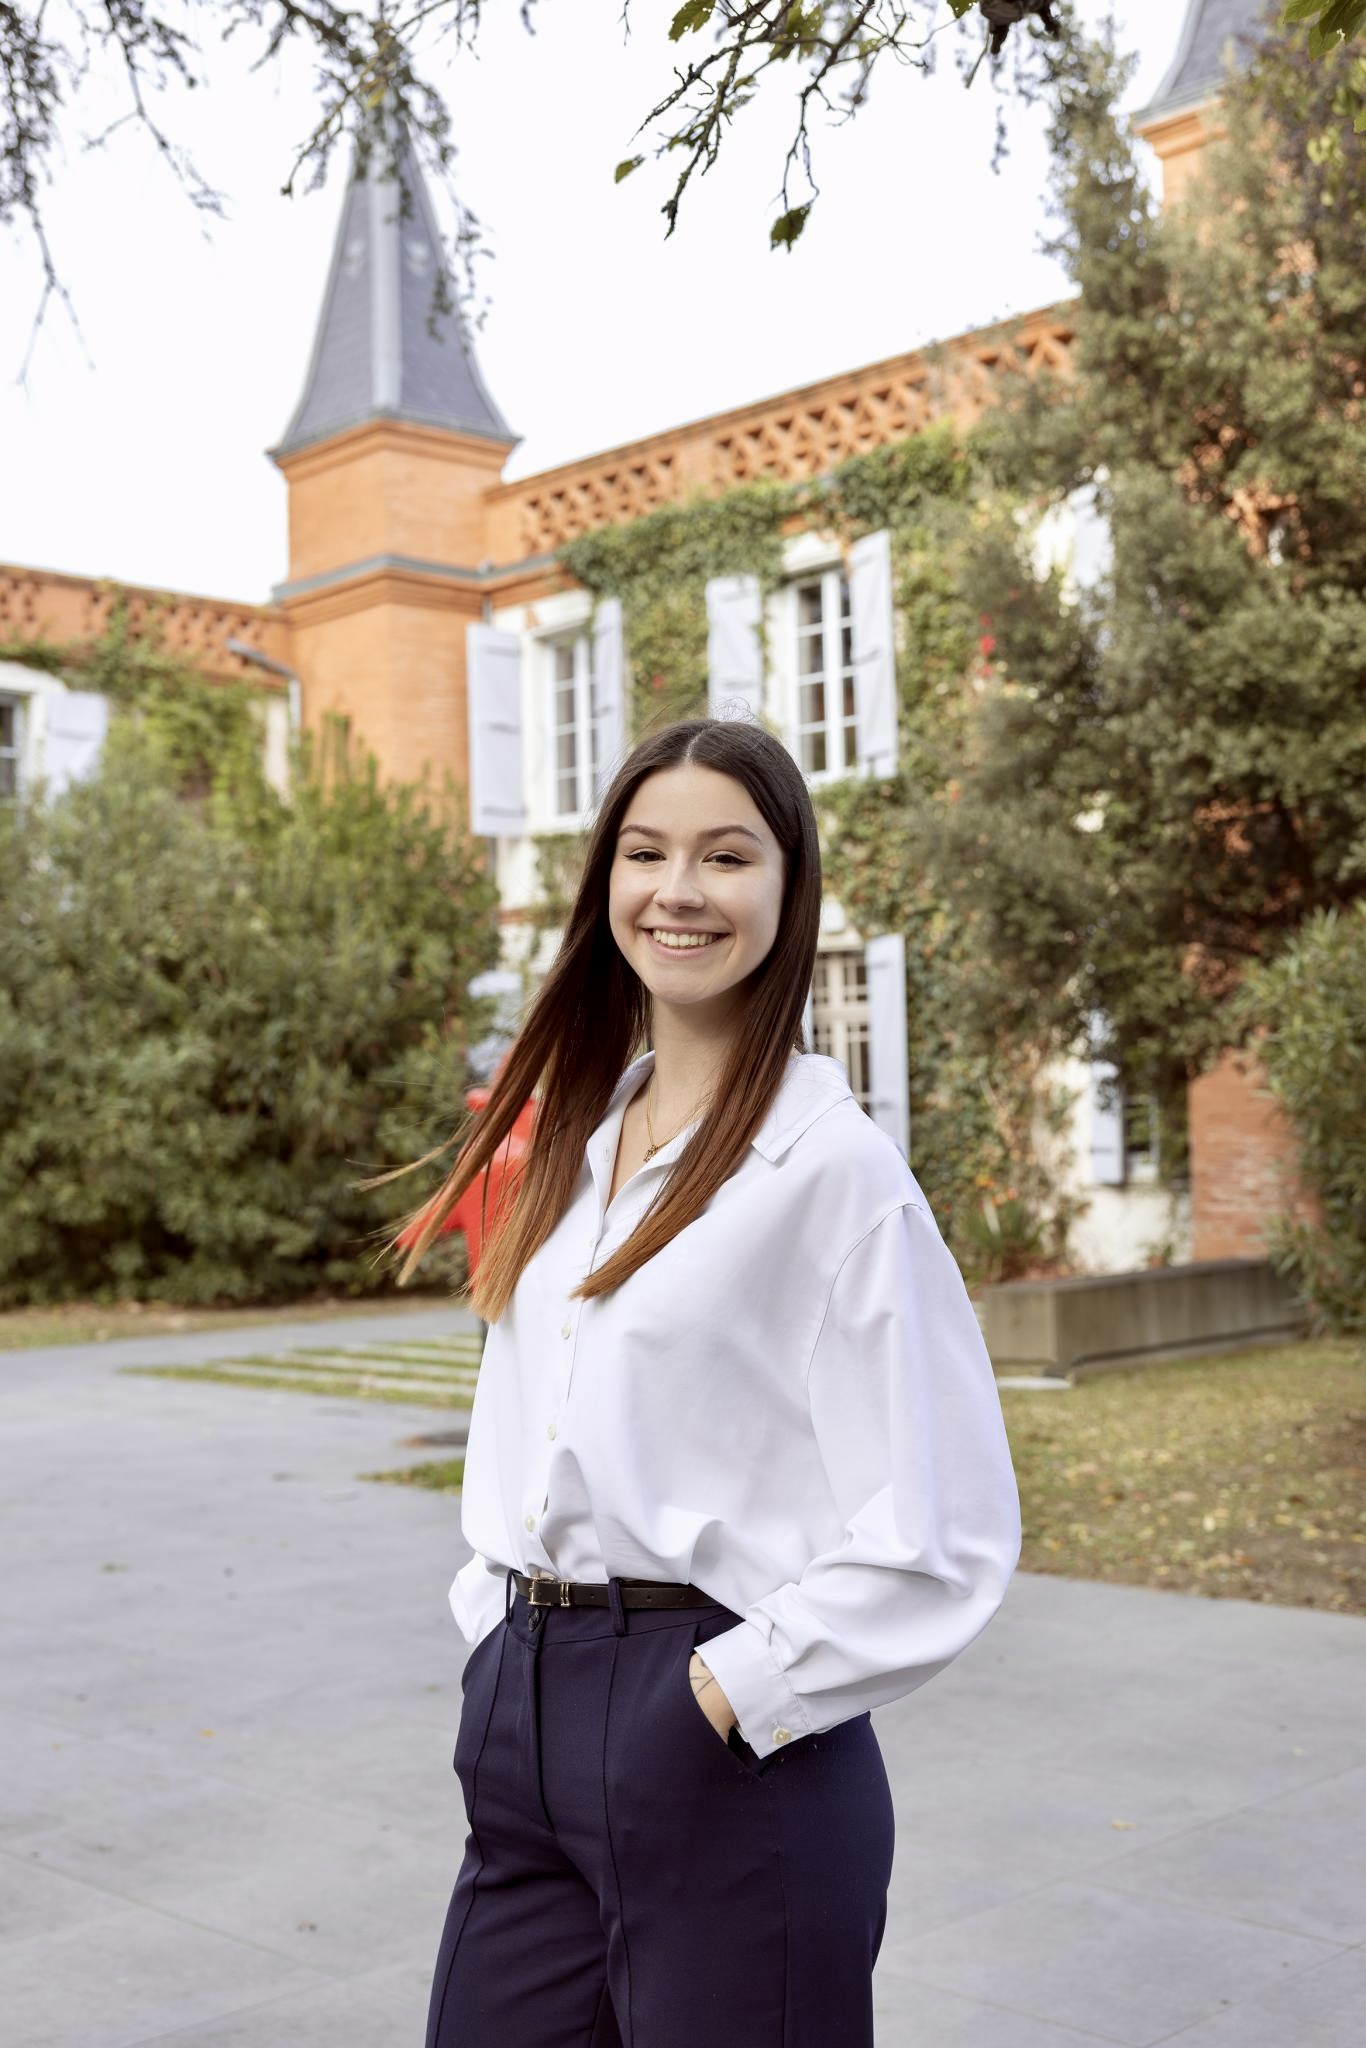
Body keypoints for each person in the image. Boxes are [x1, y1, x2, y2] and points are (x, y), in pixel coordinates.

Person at [391, 715, 1022, 2048]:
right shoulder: (571, 1145)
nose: (677, 890)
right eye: (644, 851)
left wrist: (725, 1694)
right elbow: (525, 1436)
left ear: (788, 894)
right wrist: (497, 1637)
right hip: (526, 1715)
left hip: (723, 1740)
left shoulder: (827, 1171)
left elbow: (944, 1526)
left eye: (725, 856)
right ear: (603, 882)